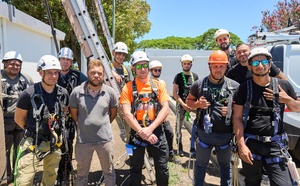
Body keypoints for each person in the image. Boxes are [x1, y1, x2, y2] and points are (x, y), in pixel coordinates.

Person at [233, 47, 300, 185]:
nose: (260, 66)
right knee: (252, 181)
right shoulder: (244, 89)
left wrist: (287, 99)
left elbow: (296, 108)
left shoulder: (284, 86)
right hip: (251, 144)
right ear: (250, 67)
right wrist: (241, 146)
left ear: (270, 64)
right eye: (256, 63)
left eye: (264, 62)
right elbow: (237, 117)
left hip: (275, 145)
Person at [186, 50, 239, 186]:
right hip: (204, 135)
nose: (218, 69)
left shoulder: (234, 86)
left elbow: (242, 113)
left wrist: (231, 112)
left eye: (221, 66)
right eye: (215, 66)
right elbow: (188, 102)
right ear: (209, 66)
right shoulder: (198, 84)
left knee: (225, 166)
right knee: (200, 165)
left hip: (225, 136)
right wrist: (198, 104)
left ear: (226, 67)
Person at [14, 55, 69, 185]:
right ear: (40, 72)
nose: (53, 76)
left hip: (55, 142)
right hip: (33, 142)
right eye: (49, 72)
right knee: (24, 180)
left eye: (56, 72)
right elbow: (19, 119)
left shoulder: (63, 93)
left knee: (51, 176)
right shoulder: (28, 94)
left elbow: (64, 112)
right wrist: (34, 131)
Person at [120, 51, 170, 186]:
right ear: (133, 68)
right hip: (137, 134)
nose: (143, 69)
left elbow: (165, 108)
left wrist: (150, 129)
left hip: (156, 132)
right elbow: (127, 114)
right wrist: (143, 132)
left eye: (145, 65)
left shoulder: (158, 85)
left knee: (162, 168)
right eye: (138, 66)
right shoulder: (128, 88)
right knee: (135, 168)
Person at [69, 59, 118, 186]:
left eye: (100, 73)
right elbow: (74, 114)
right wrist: (85, 124)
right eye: (93, 73)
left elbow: (113, 114)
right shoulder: (76, 92)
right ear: (87, 73)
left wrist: (101, 124)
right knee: (81, 175)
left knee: (109, 172)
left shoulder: (110, 92)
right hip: (83, 141)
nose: (96, 76)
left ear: (103, 75)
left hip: (104, 141)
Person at [1, 51, 34, 183]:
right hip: (4, 120)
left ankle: (18, 174)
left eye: (17, 64)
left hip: (21, 121)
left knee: (21, 150)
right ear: (5, 63)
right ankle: (5, 176)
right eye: (11, 64)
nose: (15, 67)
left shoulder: (26, 78)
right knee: (4, 151)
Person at [56, 47, 87, 185]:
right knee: (55, 144)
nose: (65, 62)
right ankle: (57, 171)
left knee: (68, 143)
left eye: (68, 59)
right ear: (59, 59)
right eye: (63, 59)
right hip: (54, 116)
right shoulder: (53, 73)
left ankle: (65, 173)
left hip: (70, 117)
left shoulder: (77, 75)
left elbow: (90, 85)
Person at [149, 60, 181, 164]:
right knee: (151, 135)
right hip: (152, 115)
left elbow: (165, 99)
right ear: (151, 71)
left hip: (162, 114)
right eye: (155, 70)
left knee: (169, 133)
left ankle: (170, 154)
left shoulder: (162, 83)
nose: (158, 72)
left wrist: (165, 114)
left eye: (159, 70)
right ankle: (151, 157)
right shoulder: (148, 82)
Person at [172, 54, 199, 156]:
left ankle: (194, 148)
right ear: (182, 64)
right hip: (182, 105)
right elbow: (175, 93)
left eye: (188, 64)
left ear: (191, 64)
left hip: (193, 106)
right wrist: (183, 104)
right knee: (178, 126)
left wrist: (195, 105)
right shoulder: (178, 76)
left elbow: (198, 91)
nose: (186, 65)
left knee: (196, 127)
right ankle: (179, 147)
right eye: (185, 64)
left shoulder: (195, 76)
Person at [111, 41, 134, 143]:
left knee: (128, 131)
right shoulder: (107, 66)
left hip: (124, 103)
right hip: (110, 103)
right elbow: (98, 69)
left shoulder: (127, 70)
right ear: (113, 53)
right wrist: (112, 73)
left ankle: (129, 154)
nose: (121, 56)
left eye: (123, 54)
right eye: (119, 53)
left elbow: (132, 86)